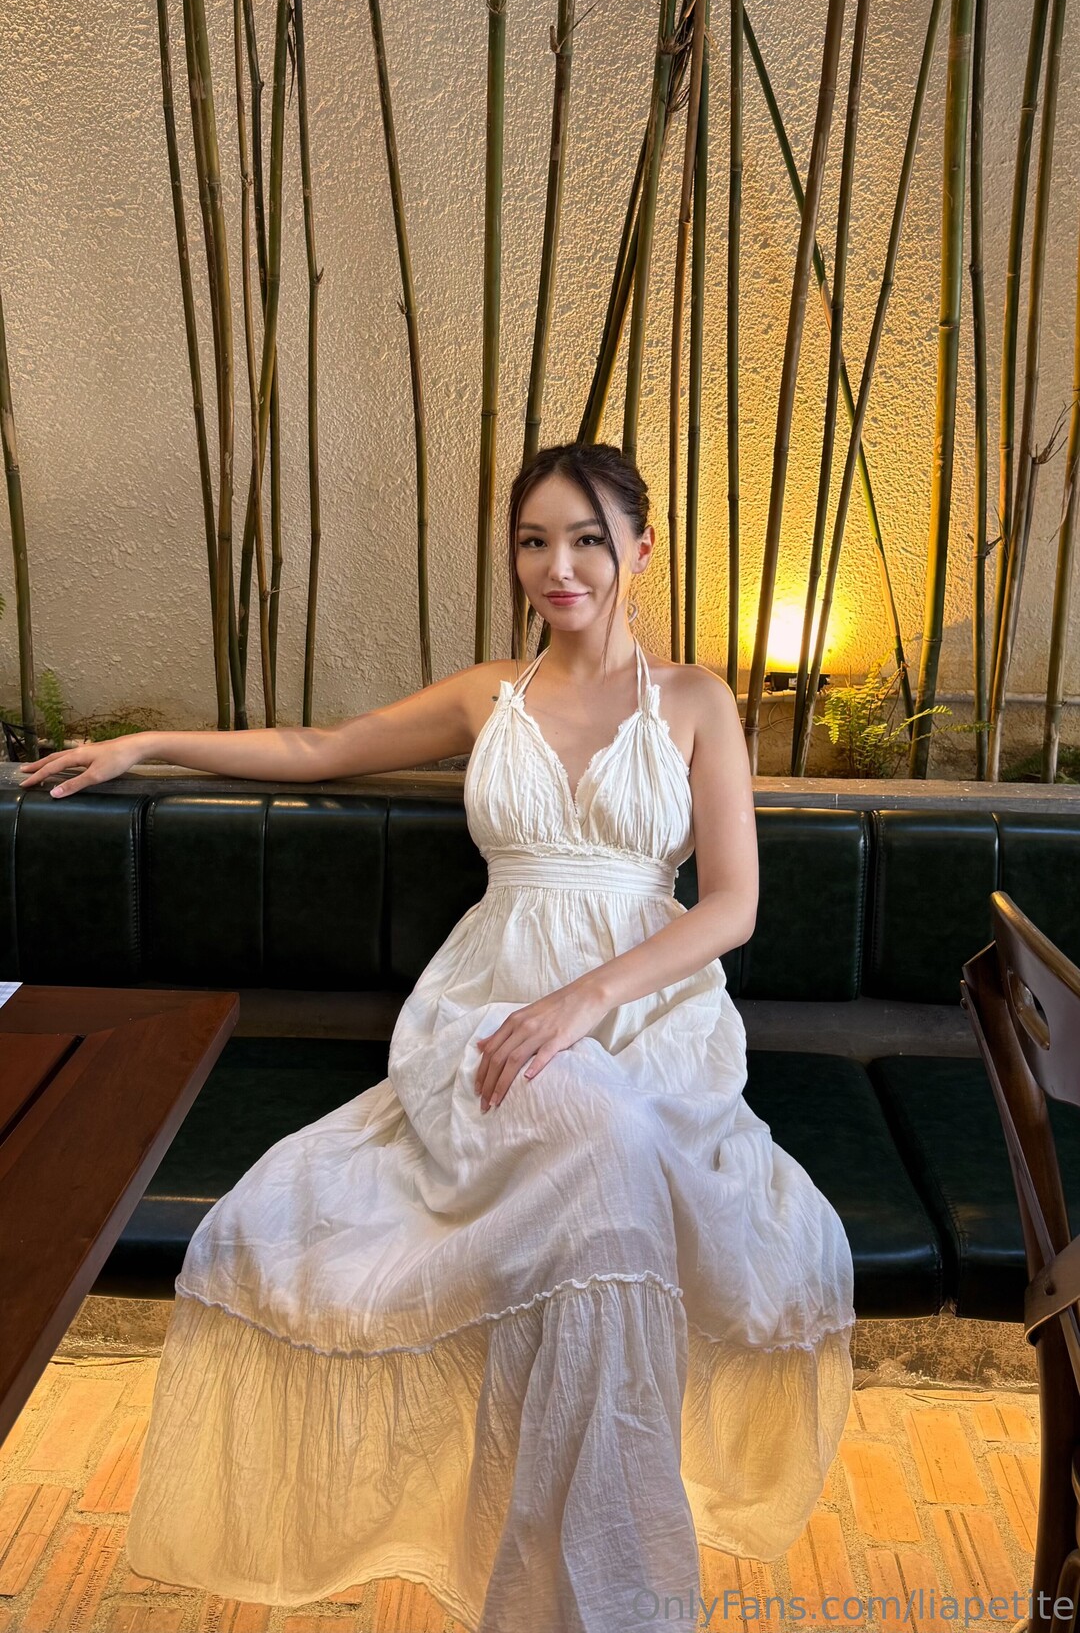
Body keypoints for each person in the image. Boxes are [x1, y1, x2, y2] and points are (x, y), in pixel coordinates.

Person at [18, 439, 856, 1631]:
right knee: (603, 1163)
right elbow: (319, 750)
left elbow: (732, 906)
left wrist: (587, 1001)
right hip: (491, 1004)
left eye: (587, 539)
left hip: (648, 1016)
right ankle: (609, 1601)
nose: (559, 567)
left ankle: (558, 1593)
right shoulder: (486, 696)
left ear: (640, 548)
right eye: (534, 541)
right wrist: (148, 745)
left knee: (612, 1164)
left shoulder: (696, 701)